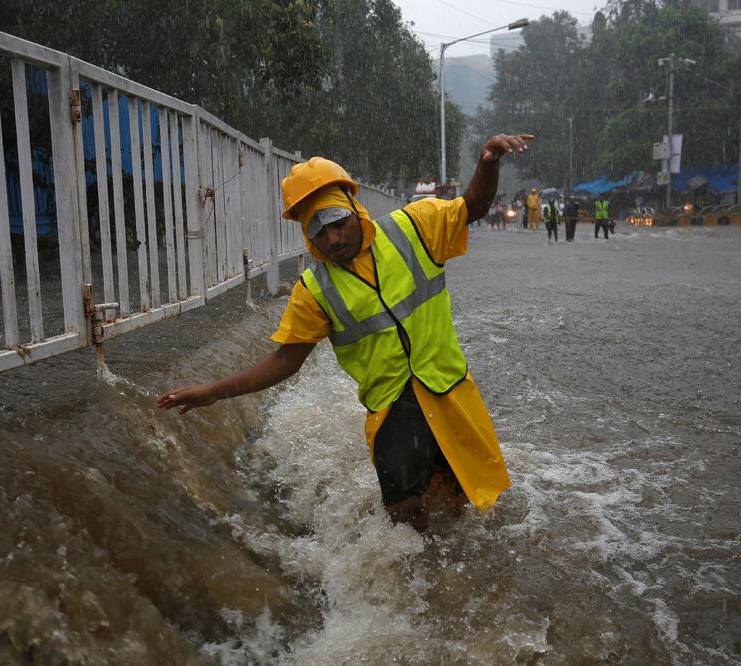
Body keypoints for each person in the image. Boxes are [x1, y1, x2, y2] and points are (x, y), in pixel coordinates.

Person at [158, 133, 532, 531]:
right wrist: (213, 392)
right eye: (318, 230)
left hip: (450, 392)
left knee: (468, 504)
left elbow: (471, 206)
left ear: (355, 208)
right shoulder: (313, 289)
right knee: (406, 521)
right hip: (392, 411)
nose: (333, 238)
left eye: (337, 222)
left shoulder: (413, 229)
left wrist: (488, 162)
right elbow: (285, 361)